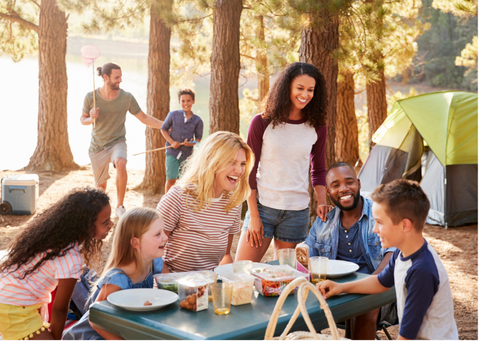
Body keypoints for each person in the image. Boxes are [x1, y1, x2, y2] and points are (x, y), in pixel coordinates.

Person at [317, 179, 459, 341]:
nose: (374, 229)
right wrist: (340, 287)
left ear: (405, 225)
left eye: (380, 222)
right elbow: (380, 282)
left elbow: (406, 337)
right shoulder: (403, 251)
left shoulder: (421, 271)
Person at [235, 62, 331, 263]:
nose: (305, 94)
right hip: (263, 206)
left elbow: (319, 169)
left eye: (310, 90)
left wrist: (322, 200)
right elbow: (249, 172)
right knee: (242, 273)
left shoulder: (317, 126)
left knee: (285, 277)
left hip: (297, 212)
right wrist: (253, 215)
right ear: (287, 87)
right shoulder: (262, 122)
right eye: (300, 88)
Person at [0, 188, 112, 341]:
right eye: (105, 222)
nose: (111, 224)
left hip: (9, 298)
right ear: (86, 226)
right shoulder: (70, 258)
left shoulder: (51, 236)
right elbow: (60, 310)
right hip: (14, 307)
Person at [304, 162, 396, 341]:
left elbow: (392, 254)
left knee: (365, 309)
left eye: (349, 182)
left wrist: (373, 283)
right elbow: (307, 256)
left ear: (359, 184)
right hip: (335, 290)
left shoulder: (379, 213)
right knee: (302, 308)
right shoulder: (323, 222)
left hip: (376, 289)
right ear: (328, 192)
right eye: (335, 185)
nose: (344, 189)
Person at [63, 207, 168, 341]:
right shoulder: (117, 280)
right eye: (158, 234)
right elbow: (95, 318)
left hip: (126, 329)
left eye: (163, 231)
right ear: (136, 243)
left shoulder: (155, 262)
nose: (165, 237)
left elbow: (172, 286)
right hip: (95, 335)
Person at [157, 131, 254, 272]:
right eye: (231, 162)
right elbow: (152, 255)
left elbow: (225, 256)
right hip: (172, 287)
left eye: (243, 164)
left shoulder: (234, 203)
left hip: (208, 288)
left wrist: (231, 281)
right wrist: (174, 285)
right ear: (212, 161)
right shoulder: (177, 197)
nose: (239, 170)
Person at [81, 62, 164, 218]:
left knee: (121, 161)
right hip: (97, 146)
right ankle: (101, 211)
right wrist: (91, 119)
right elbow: (82, 120)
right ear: (106, 77)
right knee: (101, 186)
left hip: (117, 142)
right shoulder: (90, 97)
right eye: (117, 77)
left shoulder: (126, 97)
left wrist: (165, 125)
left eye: (121, 77)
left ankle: (120, 206)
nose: (120, 80)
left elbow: (144, 117)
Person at [161, 88, 204, 193]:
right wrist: (171, 142)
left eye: (188, 101)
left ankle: (181, 204)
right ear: (179, 102)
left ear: (193, 101)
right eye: (183, 101)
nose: (186, 103)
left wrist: (191, 143)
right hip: (172, 153)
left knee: (184, 181)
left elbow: (198, 140)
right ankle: (167, 203)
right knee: (171, 179)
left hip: (187, 155)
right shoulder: (172, 115)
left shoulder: (198, 121)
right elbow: (163, 129)